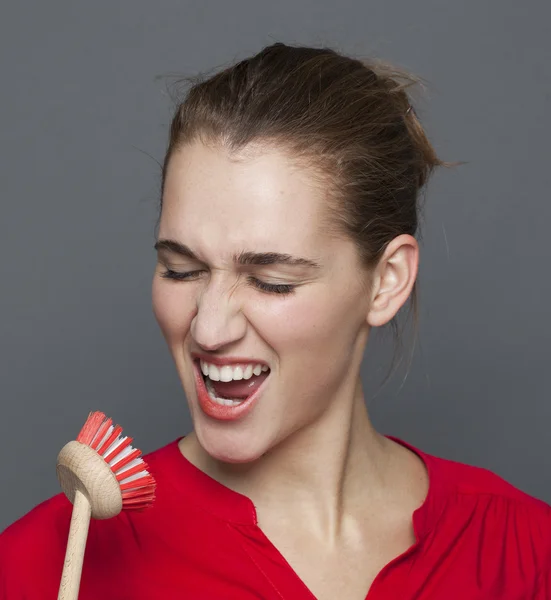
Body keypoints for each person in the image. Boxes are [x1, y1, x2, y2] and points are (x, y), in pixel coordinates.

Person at [1, 42, 550, 600]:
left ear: (386, 281)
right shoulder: (50, 558)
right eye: (181, 269)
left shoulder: (523, 554)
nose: (208, 330)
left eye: (272, 281)